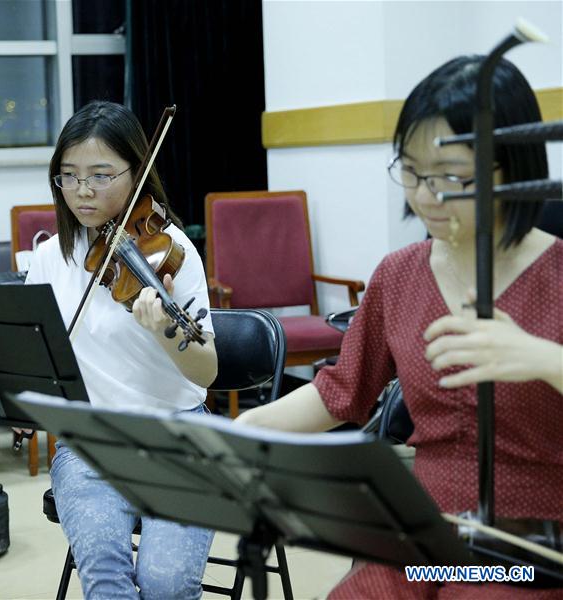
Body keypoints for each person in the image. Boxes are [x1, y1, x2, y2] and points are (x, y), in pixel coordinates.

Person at [237, 55, 563, 598]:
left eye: (452, 177)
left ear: (514, 166)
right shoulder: (399, 274)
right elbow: (340, 394)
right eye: (411, 171)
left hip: (531, 548)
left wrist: (543, 358)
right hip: (424, 537)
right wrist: (239, 433)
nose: (426, 195)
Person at [26, 100, 218, 598]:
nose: (82, 191)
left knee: (166, 583)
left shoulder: (173, 250)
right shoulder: (50, 258)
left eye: (101, 175)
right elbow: (33, 358)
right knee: (107, 576)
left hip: (181, 437)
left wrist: (165, 330)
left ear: (137, 172)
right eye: (68, 176)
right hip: (90, 441)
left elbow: (207, 370)